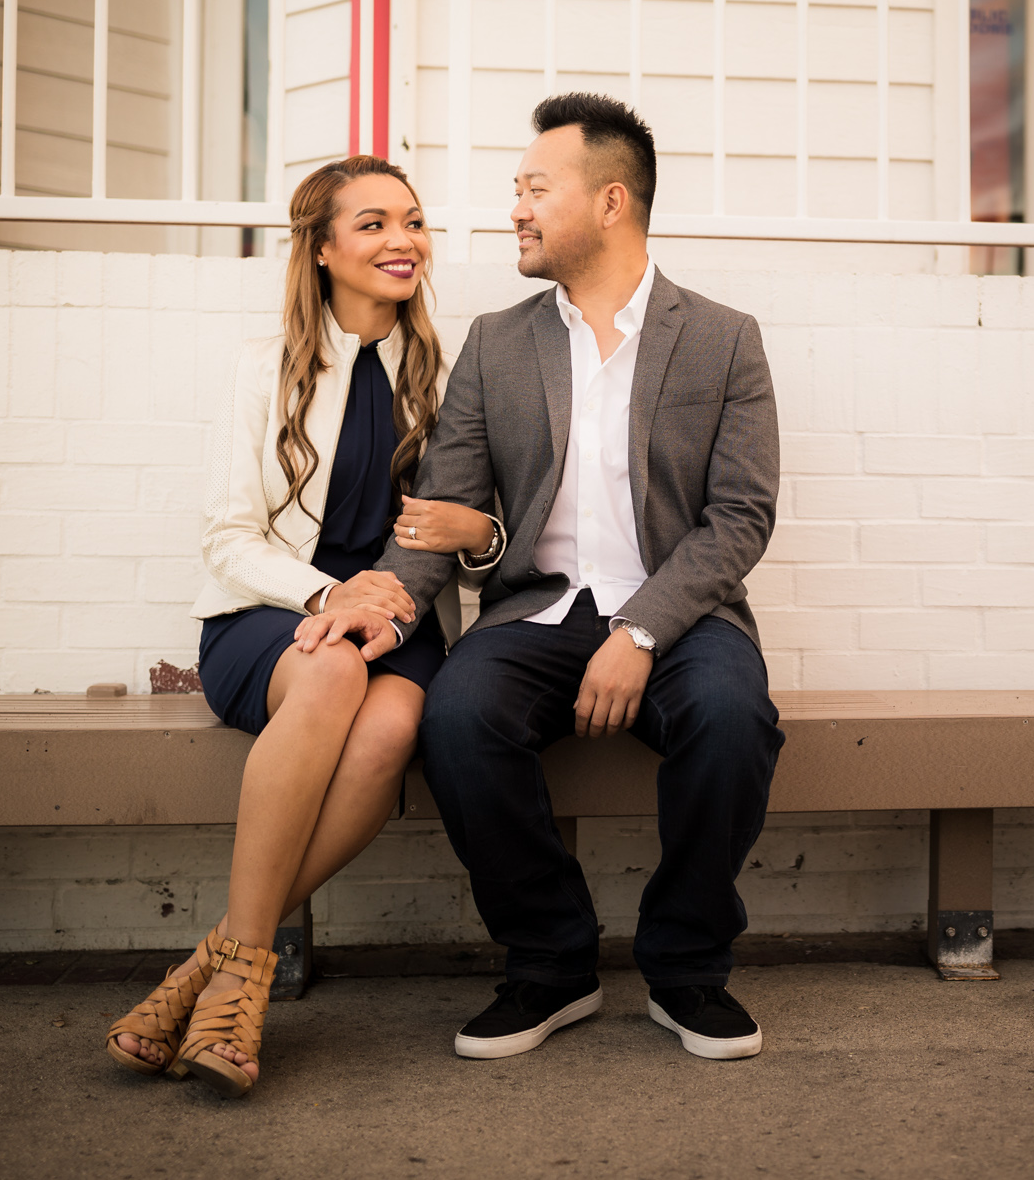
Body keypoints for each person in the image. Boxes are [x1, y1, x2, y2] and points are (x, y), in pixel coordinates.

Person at [302, 93, 782, 1061]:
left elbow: (740, 519)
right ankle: (549, 963)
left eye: (534, 188)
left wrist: (640, 633)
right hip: (534, 613)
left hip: (679, 619)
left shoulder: (724, 338)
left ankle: (687, 967)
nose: (514, 207)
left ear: (611, 202)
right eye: (515, 189)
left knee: (733, 722)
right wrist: (380, 607)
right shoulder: (498, 342)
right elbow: (439, 513)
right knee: (457, 719)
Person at [104, 156, 504, 1098]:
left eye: (411, 221)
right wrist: (330, 598)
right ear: (322, 250)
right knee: (329, 676)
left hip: (402, 629)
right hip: (271, 624)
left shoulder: (450, 377)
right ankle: (248, 979)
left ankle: (215, 964)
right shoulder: (265, 368)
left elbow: (483, 534)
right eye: (371, 224)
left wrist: (453, 558)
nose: (401, 240)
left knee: (394, 725)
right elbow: (228, 540)